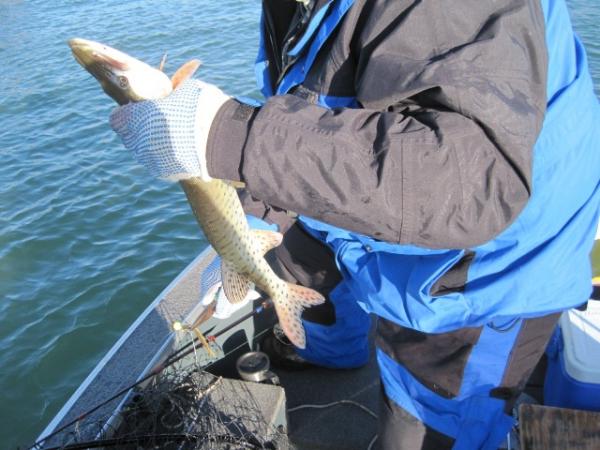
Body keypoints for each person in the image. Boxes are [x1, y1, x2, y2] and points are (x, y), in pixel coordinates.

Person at [110, 0, 600, 448]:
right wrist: (250, 225)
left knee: (422, 424)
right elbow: (310, 107)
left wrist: (229, 136)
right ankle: (331, 350)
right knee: (295, 250)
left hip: (485, 262)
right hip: (382, 191)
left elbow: (475, 184)